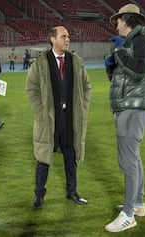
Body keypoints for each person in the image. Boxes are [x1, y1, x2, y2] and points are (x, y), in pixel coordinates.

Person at [104, 4, 145, 233]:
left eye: (118, 21)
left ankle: (128, 214)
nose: (116, 25)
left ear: (127, 21)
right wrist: (112, 68)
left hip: (132, 108)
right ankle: (138, 205)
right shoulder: (138, 40)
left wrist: (119, 53)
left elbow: (139, 70)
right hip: (132, 104)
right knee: (133, 158)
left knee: (128, 161)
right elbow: (128, 76)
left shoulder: (139, 40)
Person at [25, 26, 91, 209]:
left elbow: (87, 86)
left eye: (68, 36)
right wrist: (41, 112)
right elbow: (31, 90)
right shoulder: (41, 62)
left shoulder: (75, 61)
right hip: (48, 120)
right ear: (53, 39)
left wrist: (82, 108)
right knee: (43, 160)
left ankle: (73, 192)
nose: (68, 39)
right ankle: (39, 196)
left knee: (71, 157)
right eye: (64, 36)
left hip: (69, 119)